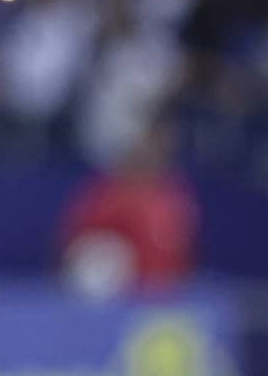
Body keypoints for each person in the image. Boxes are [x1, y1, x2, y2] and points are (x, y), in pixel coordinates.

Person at [58, 114, 198, 298]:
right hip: (123, 301)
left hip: (167, 300)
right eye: (148, 143)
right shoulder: (106, 195)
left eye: (162, 143)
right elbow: (77, 245)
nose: (154, 151)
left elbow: (182, 251)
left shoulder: (176, 194)